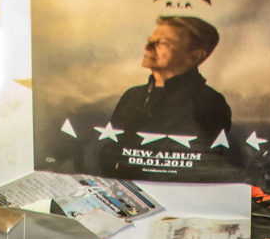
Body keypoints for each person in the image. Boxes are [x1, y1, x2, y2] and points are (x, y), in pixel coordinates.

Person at [95, 14, 236, 169]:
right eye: (150, 41)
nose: (148, 47)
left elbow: (205, 166)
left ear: (195, 56)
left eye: (162, 43)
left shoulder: (210, 103)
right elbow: (108, 154)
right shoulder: (132, 97)